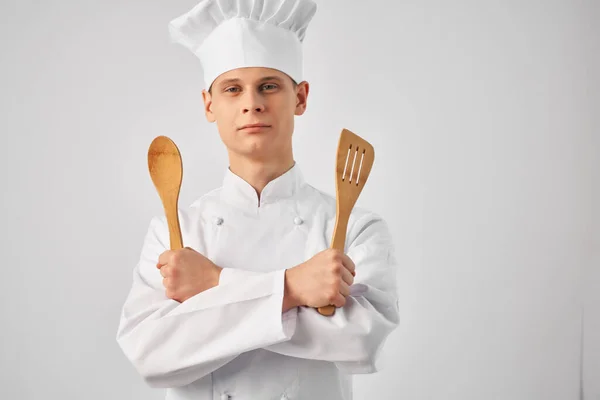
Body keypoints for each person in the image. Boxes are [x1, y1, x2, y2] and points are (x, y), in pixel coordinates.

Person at [116, 0, 400, 399]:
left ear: (300, 97)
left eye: (269, 85)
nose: (252, 102)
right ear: (209, 104)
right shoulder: (173, 232)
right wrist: (292, 289)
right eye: (233, 89)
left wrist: (214, 285)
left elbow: (359, 343)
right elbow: (152, 354)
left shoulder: (353, 226)